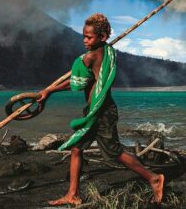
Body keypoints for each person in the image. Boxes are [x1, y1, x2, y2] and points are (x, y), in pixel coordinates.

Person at [37, 13, 164, 206]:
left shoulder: (89, 57)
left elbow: (75, 84)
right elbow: (83, 79)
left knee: (114, 152)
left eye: (89, 37)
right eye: (83, 36)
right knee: (77, 148)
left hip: (102, 112)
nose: (85, 41)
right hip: (97, 110)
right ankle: (73, 194)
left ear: (103, 37)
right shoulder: (107, 50)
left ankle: (153, 178)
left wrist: (49, 90)